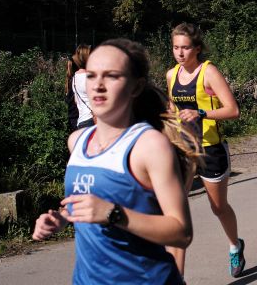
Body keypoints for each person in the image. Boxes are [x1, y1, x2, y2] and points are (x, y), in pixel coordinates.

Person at [33, 39, 199, 284]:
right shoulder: (77, 141)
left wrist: (113, 214)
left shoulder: (149, 145)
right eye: (92, 76)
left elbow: (181, 232)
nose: (98, 86)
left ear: (135, 86)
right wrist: (62, 217)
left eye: (111, 76)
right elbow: (89, 199)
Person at [166, 23, 245, 278]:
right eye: (176, 47)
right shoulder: (171, 75)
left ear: (196, 48)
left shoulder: (209, 72)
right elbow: (171, 110)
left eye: (185, 47)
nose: (180, 52)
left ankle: (235, 244)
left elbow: (233, 110)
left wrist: (201, 113)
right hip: (183, 149)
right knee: (176, 209)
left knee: (218, 207)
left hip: (211, 148)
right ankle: (175, 275)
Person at [66, 44, 94, 130]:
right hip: (93, 120)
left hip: (81, 122)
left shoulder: (74, 78)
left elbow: (76, 101)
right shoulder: (91, 77)